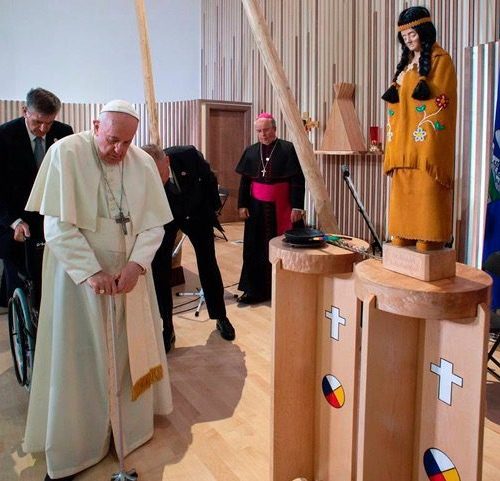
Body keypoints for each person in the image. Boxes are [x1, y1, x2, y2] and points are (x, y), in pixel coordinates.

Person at [22, 100, 173, 481]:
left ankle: (127, 432)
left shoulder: (141, 163)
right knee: (81, 361)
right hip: (78, 281)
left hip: (129, 279)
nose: (119, 150)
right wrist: (91, 272)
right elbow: (56, 226)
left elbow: (154, 225)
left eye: (127, 142)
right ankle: (79, 445)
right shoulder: (66, 154)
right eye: (112, 140)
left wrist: (137, 265)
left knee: (127, 355)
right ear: (95, 125)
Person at [142, 144, 235, 353]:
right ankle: (167, 327)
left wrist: (212, 208)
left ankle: (221, 316)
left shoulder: (188, 155)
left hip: (196, 214)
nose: (157, 180)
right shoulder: (140, 168)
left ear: (166, 161)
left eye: (160, 173)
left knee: (208, 263)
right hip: (165, 218)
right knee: (160, 270)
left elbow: (210, 179)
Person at [382, 6, 457, 251]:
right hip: (403, 142)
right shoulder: (405, 66)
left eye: (412, 34)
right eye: (404, 36)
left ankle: (428, 234)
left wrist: (422, 136)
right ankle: (404, 230)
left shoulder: (440, 61)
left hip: (424, 143)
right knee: (403, 191)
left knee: (426, 189)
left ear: (424, 31)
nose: (408, 40)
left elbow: (441, 102)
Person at [0, 88, 73, 306]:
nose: (43, 129)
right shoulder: (4, 136)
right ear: (25, 111)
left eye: (49, 123)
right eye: (38, 122)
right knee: (20, 283)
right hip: (15, 220)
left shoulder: (64, 133)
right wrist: (14, 222)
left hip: (50, 218)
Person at [235, 112, 305, 304]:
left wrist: (297, 206)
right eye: (259, 131)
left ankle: (285, 288)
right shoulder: (251, 151)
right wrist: (242, 204)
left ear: (274, 129)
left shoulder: (287, 149)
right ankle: (254, 290)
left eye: (266, 130)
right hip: (256, 209)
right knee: (254, 248)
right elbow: (245, 182)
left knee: (285, 247)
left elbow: (297, 180)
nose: (263, 134)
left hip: (283, 208)